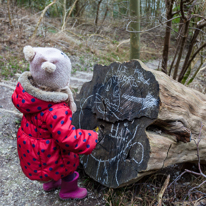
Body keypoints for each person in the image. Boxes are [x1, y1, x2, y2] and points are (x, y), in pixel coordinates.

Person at [11, 46, 98, 200]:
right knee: (68, 161)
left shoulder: (30, 98)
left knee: (48, 149)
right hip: (48, 160)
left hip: (34, 157)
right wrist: (92, 137)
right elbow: (67, 138)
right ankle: (68, 191)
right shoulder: (56, 109)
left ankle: (52, 183)